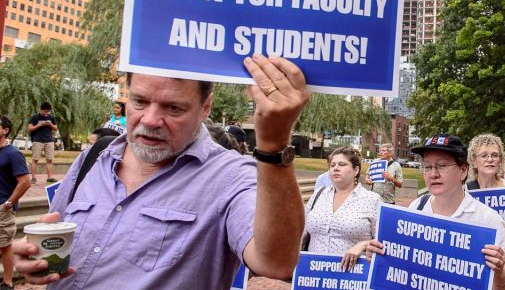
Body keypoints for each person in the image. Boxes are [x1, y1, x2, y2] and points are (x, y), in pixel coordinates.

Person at [12, 54, 308, 288]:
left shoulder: (232, 176)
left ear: (205, 107)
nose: (151, 119)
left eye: (173, 108)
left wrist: (273, 146)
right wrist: (35, 261)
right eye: (139, 101)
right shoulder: (95, 156)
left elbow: (275, 263)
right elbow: (56, 241)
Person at [367, 134, 505, 290]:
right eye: (428, 166)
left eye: (442, 166)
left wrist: (499, 273)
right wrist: (380, 258)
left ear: (463, 171)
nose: (433, 174)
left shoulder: (489, 221)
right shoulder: (417, 207)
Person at [304, 147, 381, 270]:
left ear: (356, 170)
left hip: (351, 276)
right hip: (314, 274)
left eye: (342, 164)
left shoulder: (372, 200)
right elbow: (302, 230)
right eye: (332, 165)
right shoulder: (318, 195)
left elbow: (384, 241)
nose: (336, 168)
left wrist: (363, 245)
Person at [0, 116, 32, 290]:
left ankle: (8, 282)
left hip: (2, 207)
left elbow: (25, 181)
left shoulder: (13, 154)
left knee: (5, 245)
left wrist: (8, 203)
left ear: (5, 130)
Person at [28, 102, 58, 184]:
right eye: (45, 111)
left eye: (48, 111)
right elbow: (30, 128)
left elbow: (55, 128)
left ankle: (50, 177)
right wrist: (39, 124)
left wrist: (50, 124)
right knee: (35, 160)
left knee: (49, 160)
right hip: (37, 141)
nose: (46, 113)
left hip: (49, 141)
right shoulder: (35, 117)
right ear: (40, 110)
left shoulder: (51, 117)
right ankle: (33, 178)